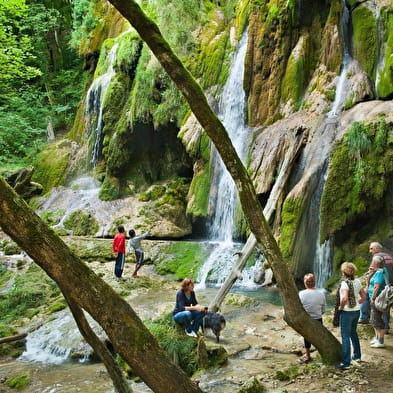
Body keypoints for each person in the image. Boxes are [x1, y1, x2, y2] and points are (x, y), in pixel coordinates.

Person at [336, 262, 366, 369]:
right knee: (353, 333)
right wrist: (357, 303)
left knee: (345, 336)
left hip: (347, 312)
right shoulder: (357, 281)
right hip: (356, 311)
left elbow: (344, 298)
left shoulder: (344, 283)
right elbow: (364, 296)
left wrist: (341, 307)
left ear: (344, 272)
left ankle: (346, 363)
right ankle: (357, 356)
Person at [359, 242, 392, 333]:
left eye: (371, 249)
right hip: (389, 283)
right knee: (385, 303)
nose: (370, 251)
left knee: (366, 297)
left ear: (377, 249)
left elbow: (372, 271)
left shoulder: (377, 257)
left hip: (379, 283)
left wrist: (367, 284)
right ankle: (386, 327)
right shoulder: (389, 256)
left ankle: (363, 317)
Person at [298, 273, 326, 363]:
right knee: (319, 337)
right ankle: (322, 354)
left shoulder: (301, 294)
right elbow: (323, 310)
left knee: (307, 337)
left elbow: (298, 308)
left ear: (305, 283)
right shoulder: (321, 294)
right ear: (314, 283)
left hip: (306, 319)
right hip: (318, 319)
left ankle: (308, 355)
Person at [369, 255, 388, 348]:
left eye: (372, 262)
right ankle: (377, 338)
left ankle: (380, 341)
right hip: (377, 299)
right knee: (374, 319)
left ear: (375, 263)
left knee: (377, 320)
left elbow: (377, 287)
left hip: (377, 299)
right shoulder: (381, 271)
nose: (371, 263)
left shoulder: (379, 273)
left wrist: (372, 298)